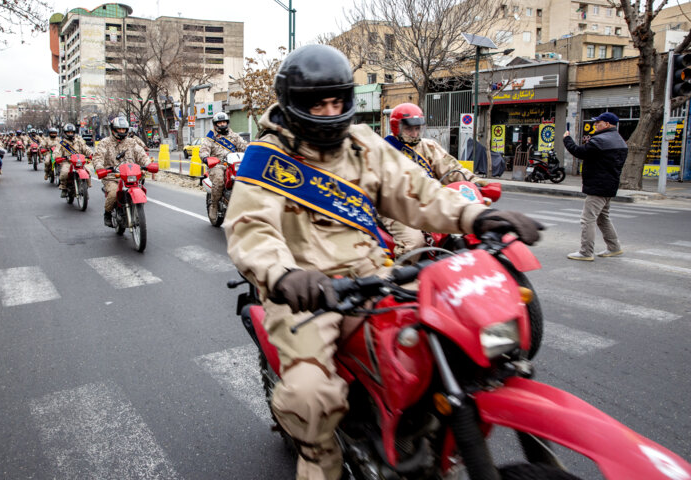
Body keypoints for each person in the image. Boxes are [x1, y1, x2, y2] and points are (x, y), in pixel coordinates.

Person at [224, 44, 542, 480]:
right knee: (310, 393)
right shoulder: (268, 159)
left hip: (375, 275)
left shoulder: (364, 144)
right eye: (319, 104)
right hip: (306, 293)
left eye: (338, 101)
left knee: (461, 330)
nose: (331, 111)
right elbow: (250, 229)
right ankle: (320, 459)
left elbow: (418, 191)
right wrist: (282, 276)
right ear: (294, 105)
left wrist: (478, 215)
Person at [380, 103, 490, 258]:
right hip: (397, 207)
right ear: (396, 127)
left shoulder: (428, 146)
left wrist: (476, 182)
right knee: (414, 243)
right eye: (409, 129)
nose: (414, 133)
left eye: (417, 129)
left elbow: (451, 168)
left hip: (429, 201)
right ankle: (402, 278)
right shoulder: (386, 150)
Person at [563, 112, 627, 261]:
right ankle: (614, 247)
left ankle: (586, 252)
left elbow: (579, 152)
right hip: (610, 185)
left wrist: (567, 139)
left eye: (598, 122)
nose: (595, 125)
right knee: (603, 218)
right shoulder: (620, 140)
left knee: (587, 219)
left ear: (608, 124)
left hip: (598, 186)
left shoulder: (600, 140)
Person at [93, 116, 150, 227]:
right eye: (119, 129)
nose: (121, 131)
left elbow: (141, 154)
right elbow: (98, 156)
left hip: (130, 175)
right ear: (113, 129)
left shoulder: (131, 142)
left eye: (123, 129)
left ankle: (135, 209)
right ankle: (108, 213)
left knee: (140, 188)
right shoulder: (105, 143)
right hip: (112, 176)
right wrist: (100, 168)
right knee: (113, 193)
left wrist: (148, 164)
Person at [199, 111, 248, 219]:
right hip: (217, 165)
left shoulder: (234, 136)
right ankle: (214, 205)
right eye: (219, 123)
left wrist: (254, 150)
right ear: (215, 124)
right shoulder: (211, 137)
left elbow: (244, 146)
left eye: (224, 122)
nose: (222, 125)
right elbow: (204, 150)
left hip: (234, 164)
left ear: (227, 123)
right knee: (219, 180)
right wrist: (206, 158)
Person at [54, 123, 94, 197]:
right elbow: (56, 151)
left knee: (88, 171)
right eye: (68, 132)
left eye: (71, 132)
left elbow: (86, 148)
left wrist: (91, 154)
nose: (70, 134)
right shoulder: (62, 143)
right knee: (64, 172)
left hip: (79, 162)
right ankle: (64, 188)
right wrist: (58, 156)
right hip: (67, 162)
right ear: (65, 133)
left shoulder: (79, 141)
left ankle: (85, 187)